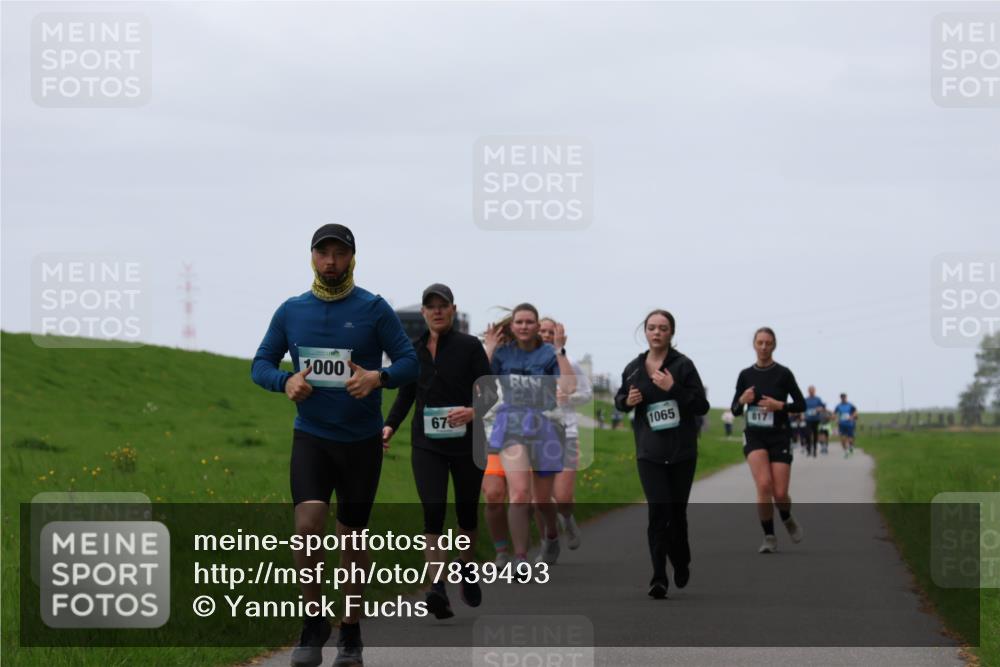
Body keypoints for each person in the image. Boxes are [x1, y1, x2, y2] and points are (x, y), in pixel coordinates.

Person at [251, 224, 418, 667]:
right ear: (311, 257)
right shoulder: (291, 311)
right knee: (307, 528)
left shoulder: (374, 309)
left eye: (339, 254)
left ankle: (351, 630)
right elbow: (260, 364)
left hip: (360, 442)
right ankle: (312, 624)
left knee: (352, 538)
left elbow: (410, 363)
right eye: (323, 253)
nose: (330, 262)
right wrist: (284, 380)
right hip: (312, 436)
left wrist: (376, 377)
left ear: (352, 258)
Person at [383, 284, 495, 619]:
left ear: (453, 310)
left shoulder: (469, 346)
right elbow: (405, 395)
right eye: (430, 306)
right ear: (423, 313)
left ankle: (467, 567)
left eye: (442, 305)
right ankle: (438, 588)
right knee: (433, 510)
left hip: (468, 441)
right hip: (427, 443)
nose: (437, 311)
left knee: (466, 514)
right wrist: (389, 426)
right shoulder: (413, 351)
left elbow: (490, 391)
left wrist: (472, 411)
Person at [615, 309, 709, 599]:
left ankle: (681, 560)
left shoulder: (682, 366)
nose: (657, 332)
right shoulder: (633, 368)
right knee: (658, 512)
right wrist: (626, 401)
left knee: (676, 514)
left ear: (671, 333)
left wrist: (673, 388)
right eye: (652, 327)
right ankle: (658, 576)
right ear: (645, 331)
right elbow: (620, 400)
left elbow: (701, 406)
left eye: (663, 328)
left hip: (682, 452)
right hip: (649, 453)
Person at [483, 303, 576, 566]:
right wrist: (489, 349)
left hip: (543, 427)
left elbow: (568, 387)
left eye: (529, 322)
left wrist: (559, 349)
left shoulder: (548, 353)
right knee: (521, 494)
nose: (524, 326)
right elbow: (480, 385)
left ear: (537, 327)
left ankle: (551, 534)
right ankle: (520, 556)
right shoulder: (503, 354)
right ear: (512, 327)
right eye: (519, 322)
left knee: (543, 501)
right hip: (510, 426)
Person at [730, 327, 806, 554]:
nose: (763, 347)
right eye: (760, 342)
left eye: (768, 343)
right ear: (754, 344)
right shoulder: (745, 375)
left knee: (780, 493)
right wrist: (742, 399)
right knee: (764, 485)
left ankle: (786, 516)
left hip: (779, 434)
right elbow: (735, 410)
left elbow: (801, 404)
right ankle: (769, 536)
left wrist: (780, 405)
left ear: (774, 346)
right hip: (754, 434)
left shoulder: (784, 374)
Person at [539, 317, 593, 550]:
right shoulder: (527, 363)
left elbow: (587, 393)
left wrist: (569, 398)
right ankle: (547, 542)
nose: (546, 335)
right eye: (542, 331)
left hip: (566, 432)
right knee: (540, 498)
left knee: (562, 496)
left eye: (551, 332)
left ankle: (567, 520)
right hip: (535, 435)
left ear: (559, 336)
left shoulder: (569, 363)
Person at [803, 386, 826, 458]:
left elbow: (823, 407)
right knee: (807, 434)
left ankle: (815, 450)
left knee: (815, 434)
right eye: (810, 390)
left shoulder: (818, 399)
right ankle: (808, 449)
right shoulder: (806, 399)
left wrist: (820, 408)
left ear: (814, 391)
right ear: (808, 391)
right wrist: (802, 415)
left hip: (816, 419)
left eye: (812, 390)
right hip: (808, 419)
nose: (811, 391)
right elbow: (802, 407)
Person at [834, 393, 859, 457]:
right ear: (840, 398)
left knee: (850, 438)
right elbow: (835, 414)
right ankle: (846, 451)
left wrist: (852, 417)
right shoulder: (838, 406)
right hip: (841, 424)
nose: (843, 398)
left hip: (850, 424)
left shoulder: (850, 405)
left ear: (846, 397)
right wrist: (836, 419)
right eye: (842, 397)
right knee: (842, 439)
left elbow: (856, 412)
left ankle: (851, 447)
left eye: (844, 397)